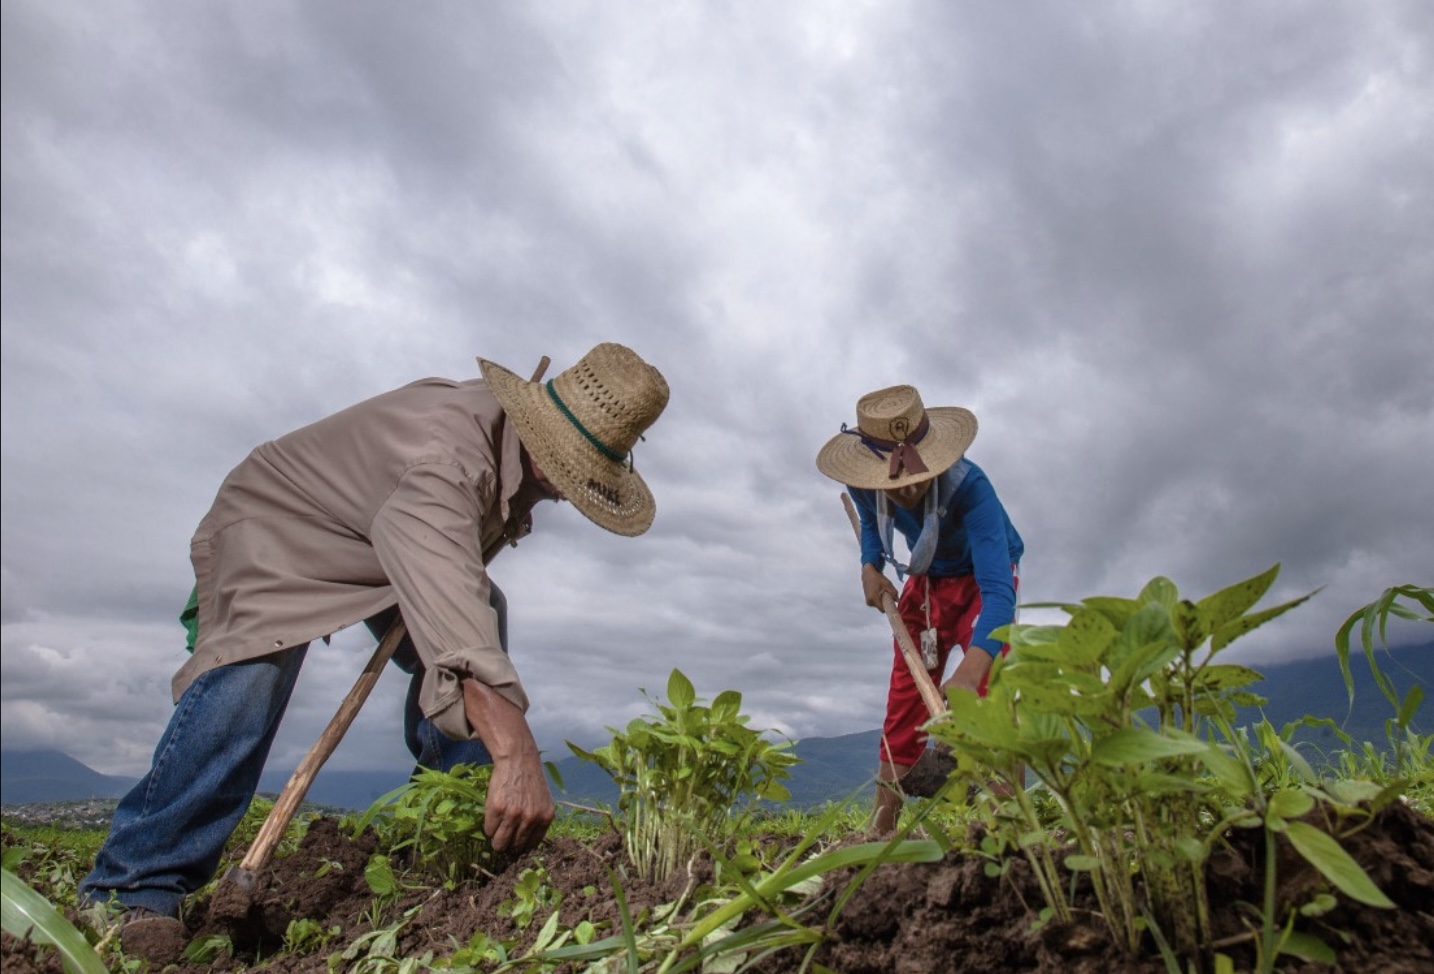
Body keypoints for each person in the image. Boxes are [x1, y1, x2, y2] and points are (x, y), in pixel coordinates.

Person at [80, 342, 670, 940]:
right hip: (276, 525)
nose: (571, 492)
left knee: (483, 611)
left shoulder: (498, 455)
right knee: (253, 669)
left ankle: (453, 840)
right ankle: (134, 888)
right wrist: (515, 750)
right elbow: (456, 624)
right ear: (544, 444)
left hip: (373, 535)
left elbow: (457, 593)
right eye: (571, 473)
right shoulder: (447, 461)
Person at [815, 384, 1023, 835]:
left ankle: (1013, 823)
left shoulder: (972, 489)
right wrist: (870, 564)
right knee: (906, 692)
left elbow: (999, 595)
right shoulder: (865, 481)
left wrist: (970, 670)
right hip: (928, 577)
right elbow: (871, 521)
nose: (906, 494)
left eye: (915, 481)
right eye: (896, 484)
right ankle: (882, 824)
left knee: (993, 687)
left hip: (982, 580)